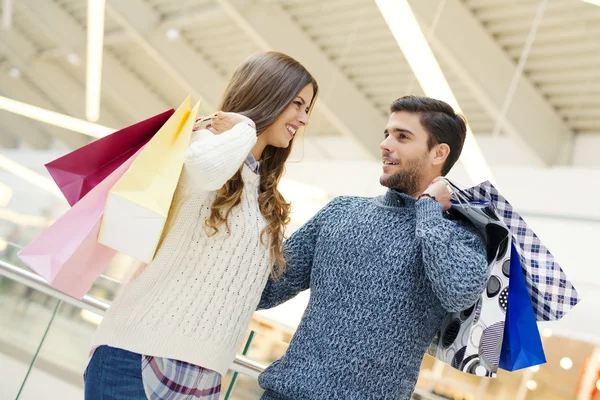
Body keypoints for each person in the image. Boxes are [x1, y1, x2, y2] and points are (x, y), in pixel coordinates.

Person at [84, 51, 318, 399]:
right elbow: (207, 171)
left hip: (203, 375)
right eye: (297, 104)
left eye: (307, 109)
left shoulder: (261, 192)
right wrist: (245, 128)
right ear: (268, 94)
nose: (303, 119)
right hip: (135, 356)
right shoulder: (203, 145)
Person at [257, 95, 489, 400]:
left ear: (438, 153)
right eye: (387, 134)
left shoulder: (461, 236)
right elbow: (266, 289)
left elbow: (459, 291)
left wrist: (430, 209)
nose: (385, 144)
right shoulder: (340, 211)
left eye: (402, 136)